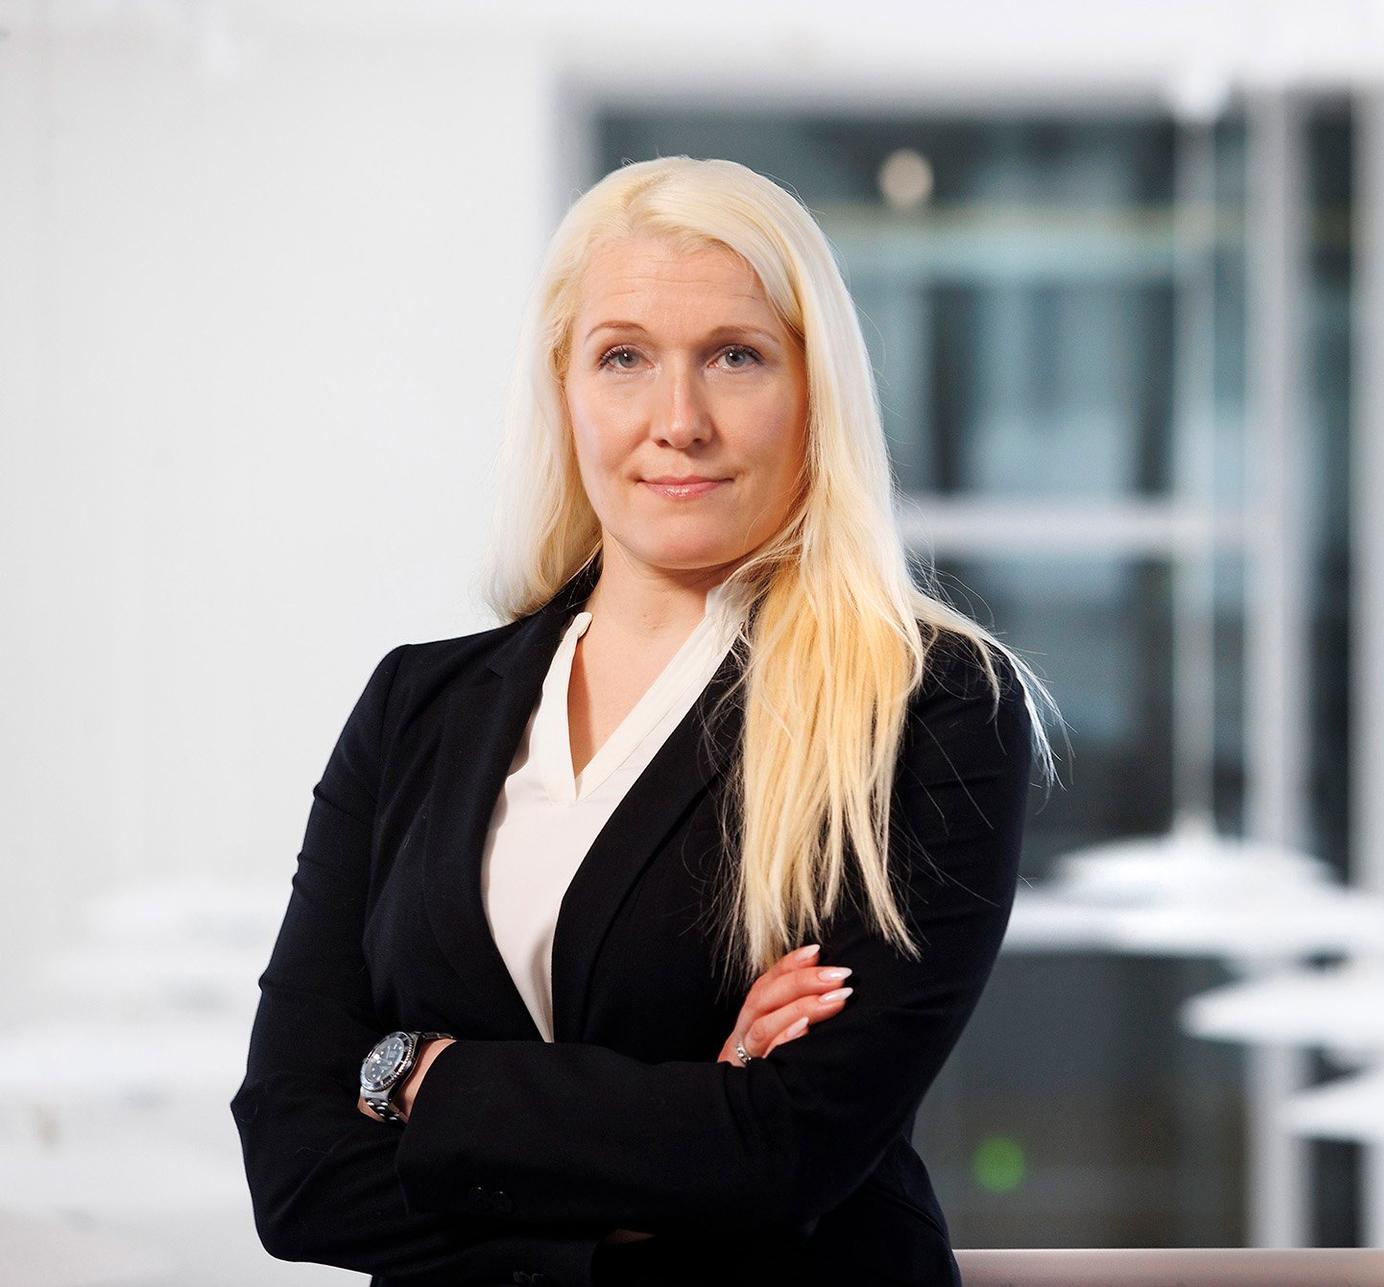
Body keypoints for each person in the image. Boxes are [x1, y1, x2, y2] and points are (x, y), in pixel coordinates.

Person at [229, 155, 1061, 1287]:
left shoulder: (930, 706)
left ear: (814, 393)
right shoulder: (416, 707)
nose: (679, 421)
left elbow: (782, 1156)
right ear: (565, 388)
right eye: (623, 358)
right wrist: (677, 1144)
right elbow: (294, 1170)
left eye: (735, 356)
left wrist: (421, 1075)